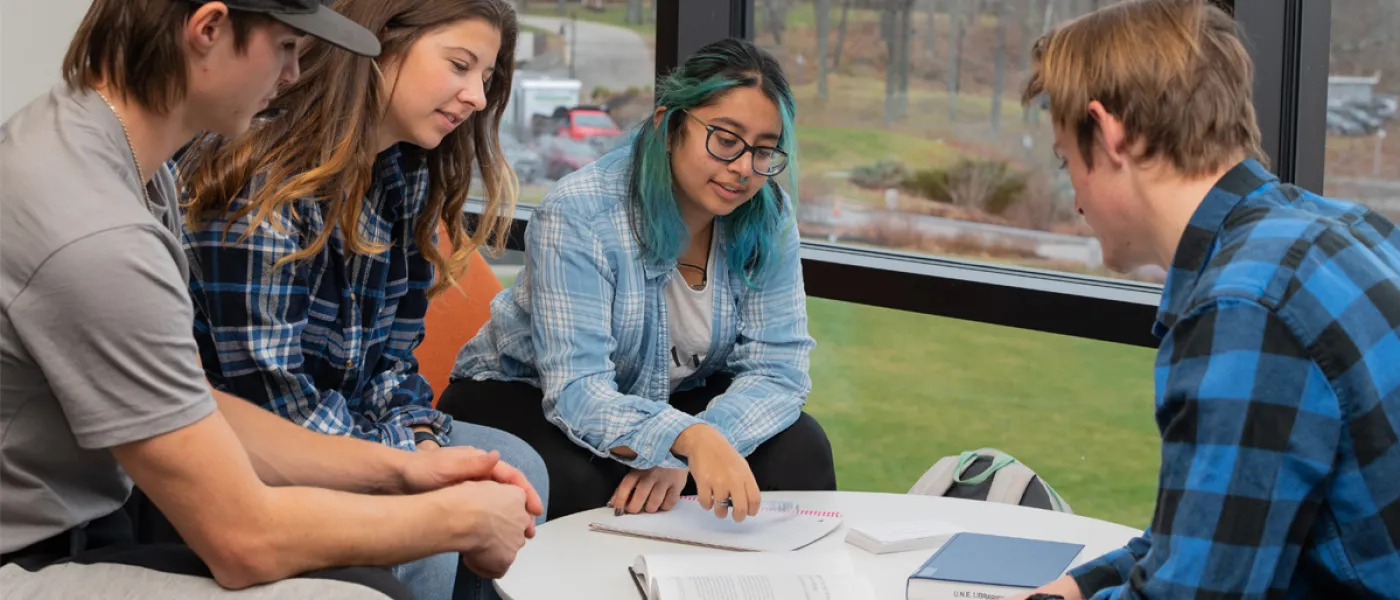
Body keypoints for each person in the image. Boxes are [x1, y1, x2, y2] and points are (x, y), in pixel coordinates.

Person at [0, 2, 540, 598]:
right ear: (207, 30)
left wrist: (406, 465)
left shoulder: (119, 157)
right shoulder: (97, 232)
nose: (293, 74)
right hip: (32, 553)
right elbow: (242, 541)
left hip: (97, 517)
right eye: (285, 47)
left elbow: (195, 403)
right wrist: (458, 518)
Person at [1010, 1, 1400, 598]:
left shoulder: (1245, 309)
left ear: (1109, 133)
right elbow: (1205, 537)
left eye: (1068, 161)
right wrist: (1072, 590)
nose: (1076, 200)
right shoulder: (1347, 229)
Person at [174, 1, 545, 599]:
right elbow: (271, 402)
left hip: (353, 430)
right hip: (254, 454)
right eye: (459, 65)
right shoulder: (261, 173)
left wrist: (419, 440)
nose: (477, 97)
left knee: (519, 468)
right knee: (431, 523)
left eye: (487, 78)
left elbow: (394, 363)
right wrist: (410, 469)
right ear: (380, 44)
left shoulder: (403, 174)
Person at [438, 37, 837, 522]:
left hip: (656, 395)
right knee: (590, 483)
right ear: (667, 127)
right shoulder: (581, 212)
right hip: (522, 391)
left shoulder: (768, 216)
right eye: (726, 140)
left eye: (763, 152)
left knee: (802, 447)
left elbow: (779, 372)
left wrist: (698, 443)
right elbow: (578, 389)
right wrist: (681, 441)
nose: (742, 169)